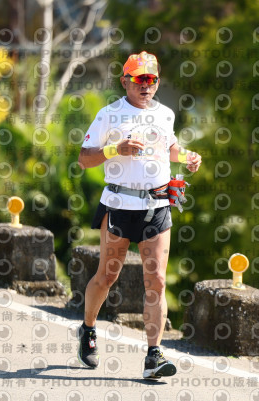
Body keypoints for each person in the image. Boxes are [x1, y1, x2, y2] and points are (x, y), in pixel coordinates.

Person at [76, 51, 202, 379]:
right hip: (119, 205)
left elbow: (169, 148)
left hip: (157, 205)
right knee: (107, 276)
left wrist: (187, 157)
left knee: (156, 280)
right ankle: (88, 329)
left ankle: (153, 356)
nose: (146, 86)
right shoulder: (109, 114)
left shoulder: (165, 114)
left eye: (152, 79)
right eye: (139, 79)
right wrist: (114, 150)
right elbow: (84, 159)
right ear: (125, 81)